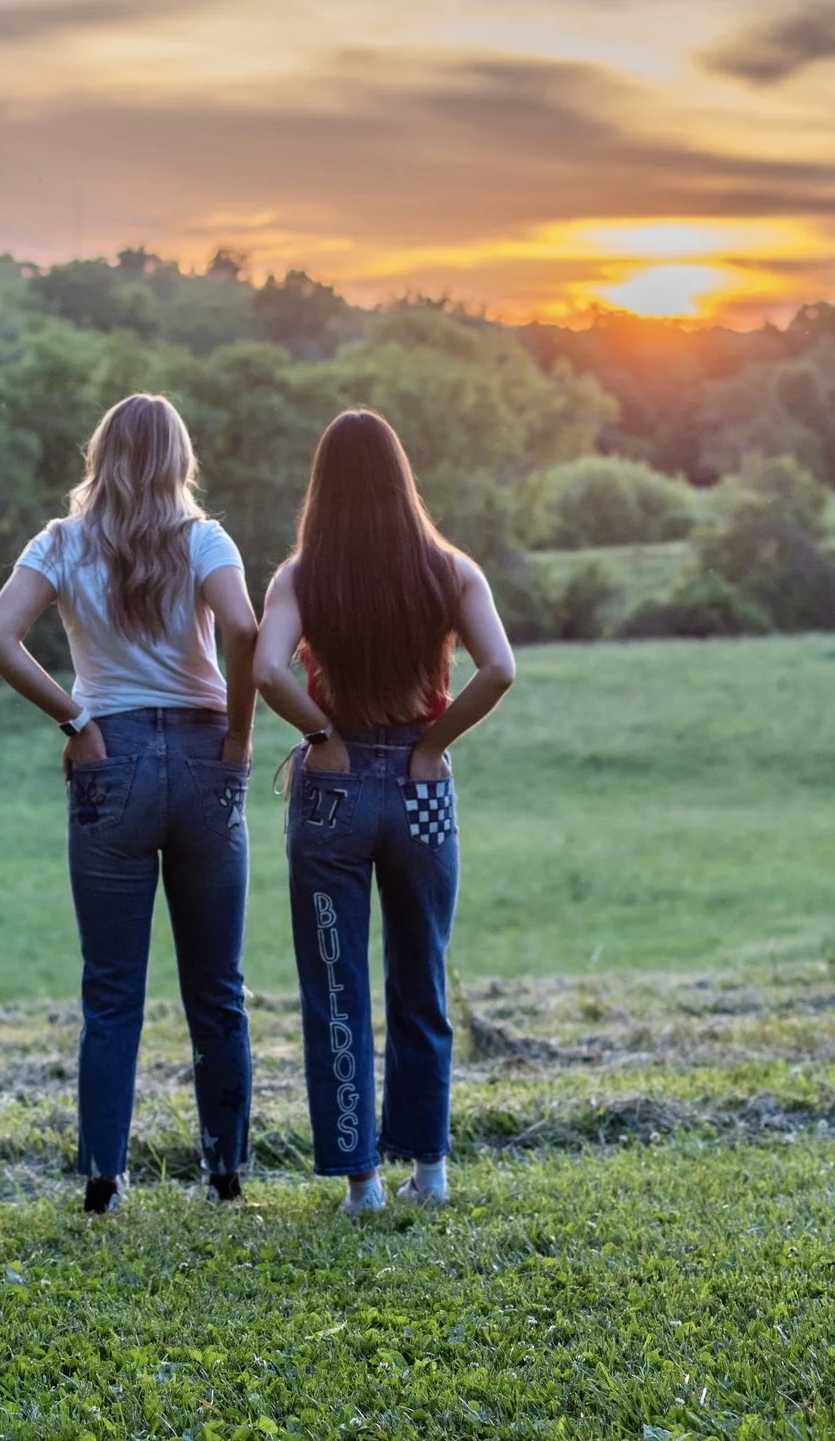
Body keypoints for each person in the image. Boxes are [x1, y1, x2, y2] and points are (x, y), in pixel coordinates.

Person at [0, 394, 259, 1213]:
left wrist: (75, 719)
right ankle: (225, 1174)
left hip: (112, 762)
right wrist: (240, 733)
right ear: (181, 459)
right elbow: (244, 629)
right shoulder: (205, 538)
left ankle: (105, 1177)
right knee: (218, 986)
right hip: (208, 760)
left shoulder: (60, 543)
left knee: (111, 988)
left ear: (99, 454)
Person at [254, 409, 517, 1214]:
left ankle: (361, 1182)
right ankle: (429, 1171)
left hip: (332, 791)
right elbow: (499, 668)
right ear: (403, 479)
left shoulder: (301, 576)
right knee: (420, 976)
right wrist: (433, 745)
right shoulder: (451, 571)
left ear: (322, 485)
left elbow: (267, 668)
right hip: (421, 790)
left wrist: (322, 732)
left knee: (336, 986)